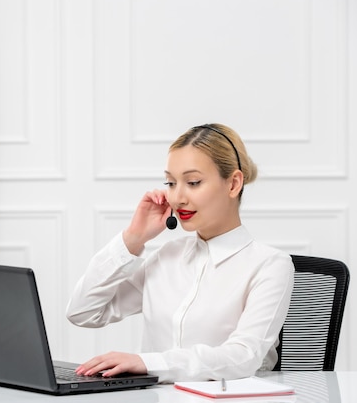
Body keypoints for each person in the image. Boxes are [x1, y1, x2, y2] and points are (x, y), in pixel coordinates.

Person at [66, 124, 294, 383]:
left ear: (233, 183)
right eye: (171, 183)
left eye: (193, 182)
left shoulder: (269, 265)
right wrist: (133, 239)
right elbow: (83, 312)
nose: (178, 198)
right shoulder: (167, 257)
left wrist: (148, 363)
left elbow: (243, 357)